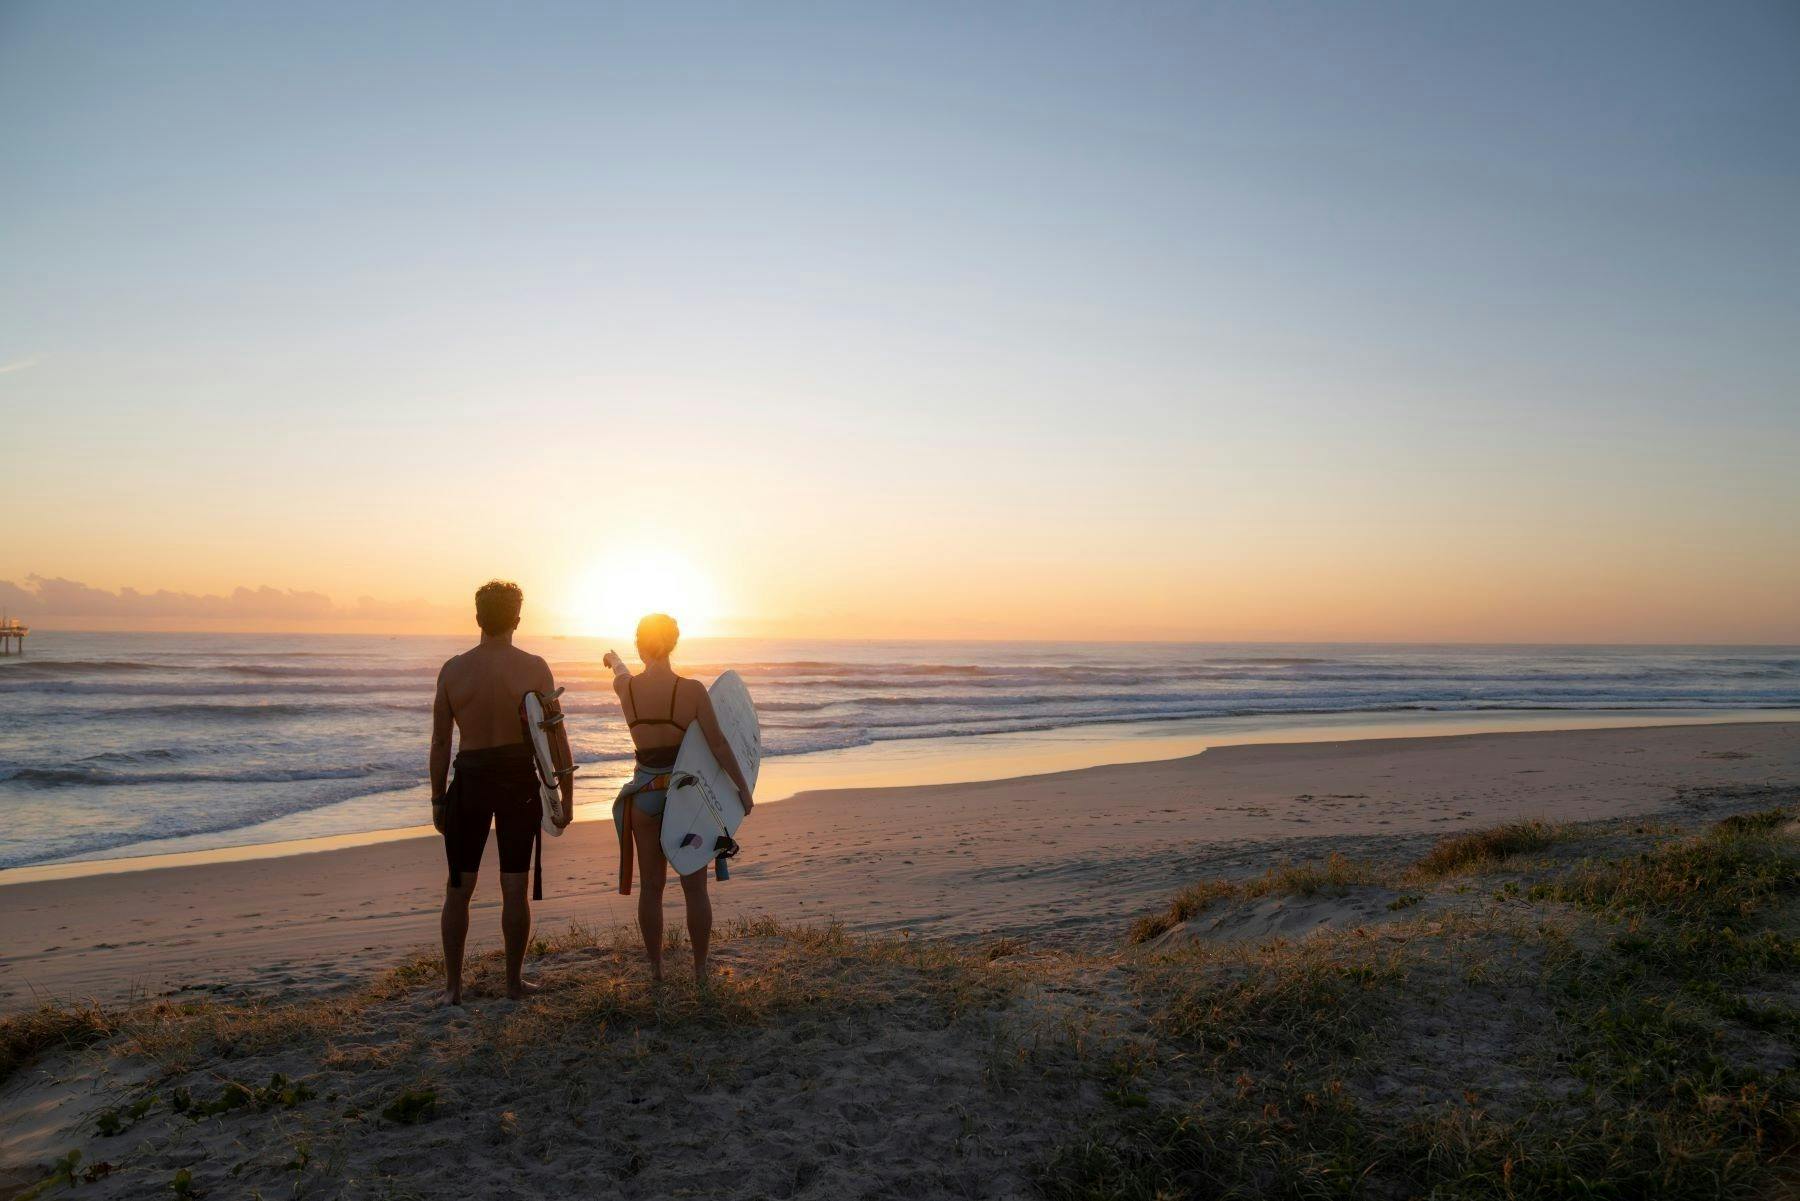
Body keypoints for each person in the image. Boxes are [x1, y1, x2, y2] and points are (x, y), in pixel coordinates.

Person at [430, 579, 573, 1004]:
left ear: (477, 617)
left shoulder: (453, 670)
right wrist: (565, 794)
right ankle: (512, 984)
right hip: (517, 782)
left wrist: (438, 799)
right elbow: (556, 737)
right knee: (514, 886)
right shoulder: (534, 667)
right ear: (516, 618)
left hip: (470, 780)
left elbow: (440, 743)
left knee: (459, 887)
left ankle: (453, 989)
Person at [606, 613, 754, 984]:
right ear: (673, 644)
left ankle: (656, 971)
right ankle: (701, 970)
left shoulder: (628, 690)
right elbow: (718, 744)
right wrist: (742, 789)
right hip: (685, 801)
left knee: (651, 888)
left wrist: (613, 659)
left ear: (641, 646)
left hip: (644, 799)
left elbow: (619, 673)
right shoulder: (690, 691)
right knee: (694, 887)